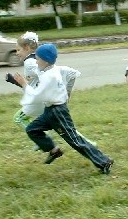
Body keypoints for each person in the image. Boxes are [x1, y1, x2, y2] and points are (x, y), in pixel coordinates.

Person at [12, 44, 114, 175]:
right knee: (32, 129)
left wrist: (24, 84)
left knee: (74, 140)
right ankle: (53, 150)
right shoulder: (51, 71)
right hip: (50, 111)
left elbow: (37, 96)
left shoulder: (49, 76)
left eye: (37, 59)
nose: (36, 61)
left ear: (45, 60)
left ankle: (104, 161)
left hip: (57, 113)